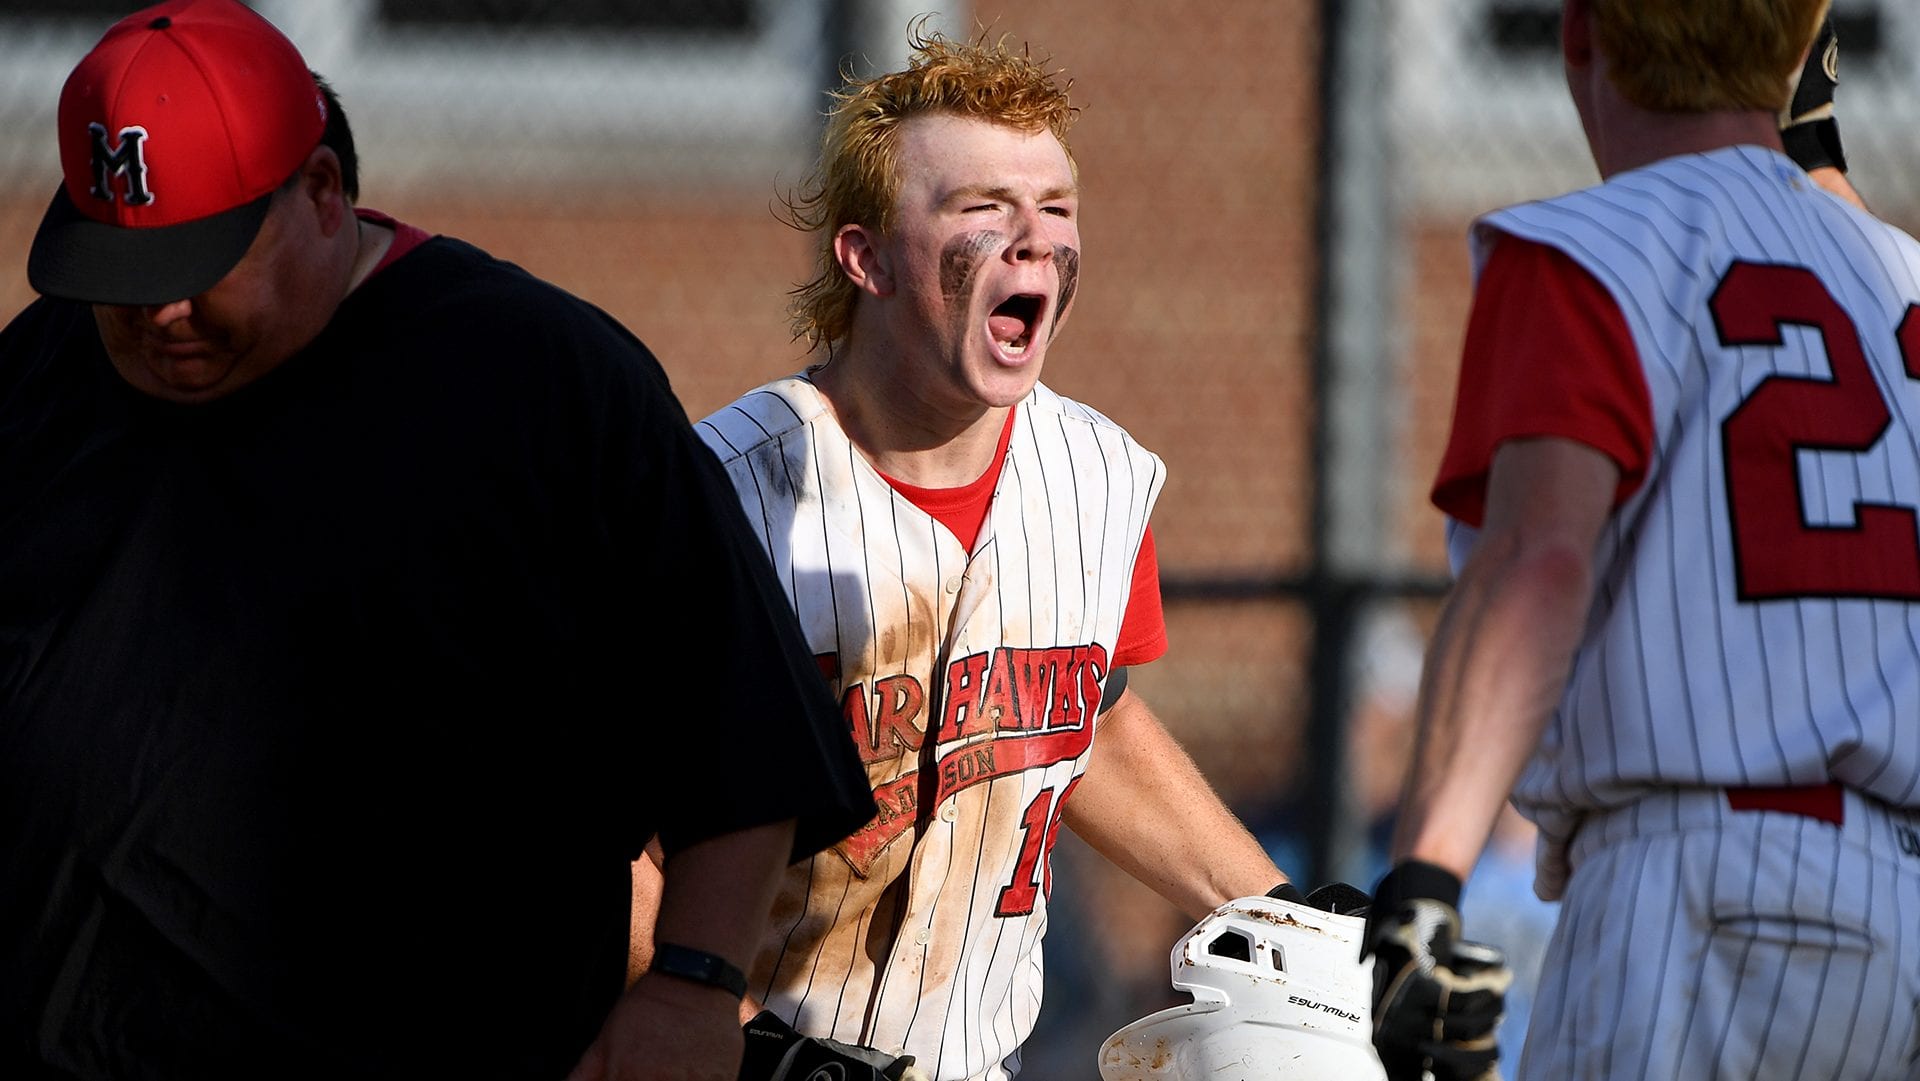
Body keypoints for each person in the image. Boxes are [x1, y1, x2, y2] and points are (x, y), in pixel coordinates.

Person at [0, 2, 874, 1079]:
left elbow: (742, 736)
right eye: (124, 278)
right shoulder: (38, 383)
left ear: (321, 191)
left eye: (201, 261)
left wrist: (693, 988)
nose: (160, 313)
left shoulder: (540, 385)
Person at [640, 26, 1299, 1081]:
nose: (1031, 238)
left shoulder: (1099, 478)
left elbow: (1075, 715)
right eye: (983, 210)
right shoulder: (722, 493)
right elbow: (591, 828)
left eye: (1055, 210)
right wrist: (754, 1042)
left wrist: (1282, 918)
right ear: (865, 258)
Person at [1362, 1, 1920, 1079]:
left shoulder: (1581, 250)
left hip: (1704, 891)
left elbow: (1539, 562)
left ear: (1579, 35)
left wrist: (1425, 883)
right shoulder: (1899, 280)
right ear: (1804, 56)